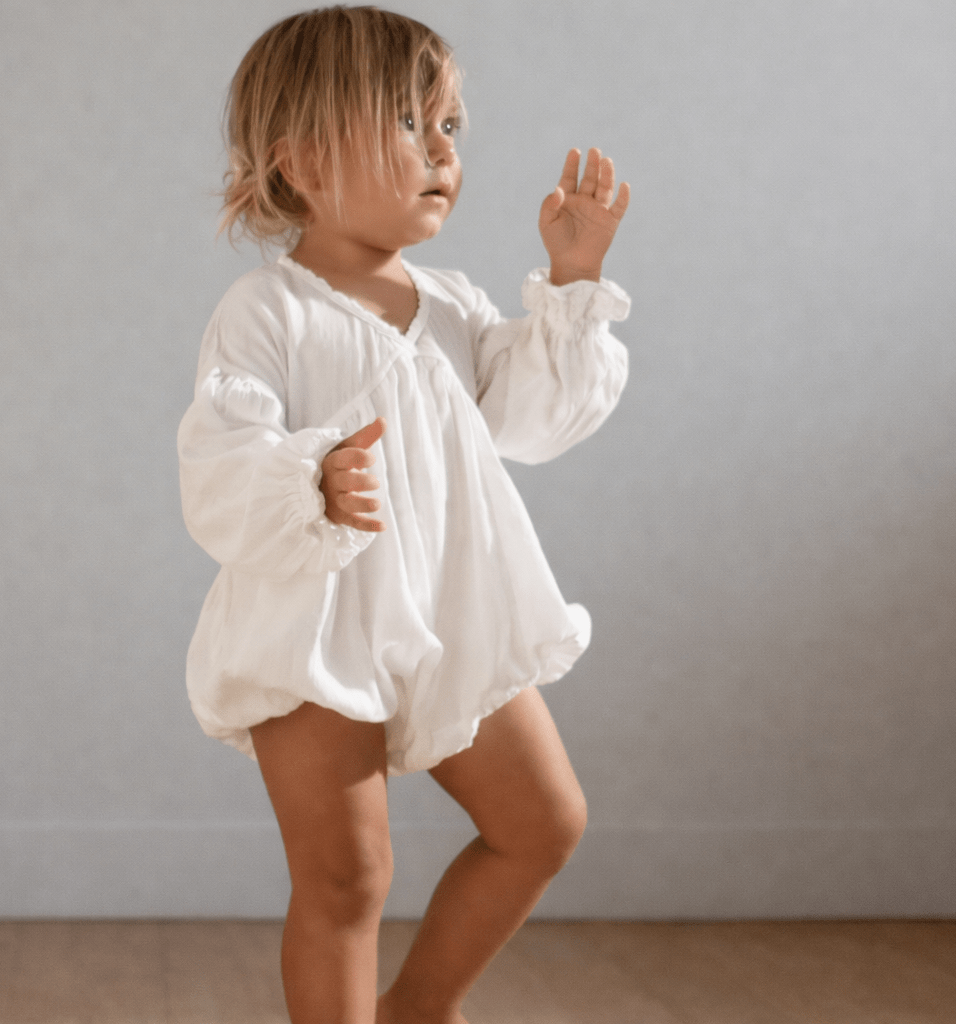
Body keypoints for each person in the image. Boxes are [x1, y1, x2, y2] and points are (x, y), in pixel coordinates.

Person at [177, 6, 631, 1023]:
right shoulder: (269, 312)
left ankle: (417, 1007)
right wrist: (309, 481)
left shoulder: (455, 306)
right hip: (313, 627)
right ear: (301, 159)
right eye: (407, 123)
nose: (442, 151)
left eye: (450, 125)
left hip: (445, 613)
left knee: (543, 823)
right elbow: (219, 456)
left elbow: (532, 420)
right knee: (348, 877)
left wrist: (572, 280)